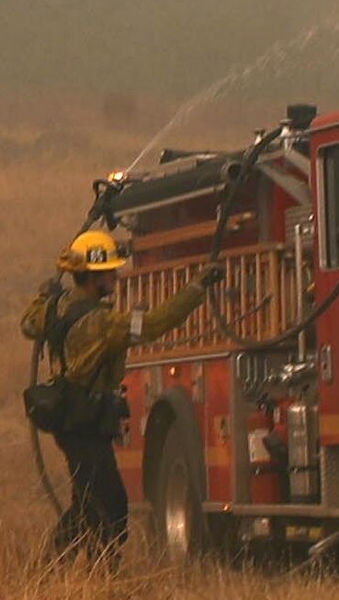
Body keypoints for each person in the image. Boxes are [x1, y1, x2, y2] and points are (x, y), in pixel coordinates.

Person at [19, 225, 217, 555]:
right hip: (86, 422)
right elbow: (154, 324)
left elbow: (29, 322)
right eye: (109, 273)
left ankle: (64, 571)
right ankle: (88, 571)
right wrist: (196, 289)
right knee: (110, 507)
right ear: (93, 277)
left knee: (87, 502)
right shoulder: (102, 323)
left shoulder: (56, 307)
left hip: (71, 420)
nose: (115, 278)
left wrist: (45, 294)